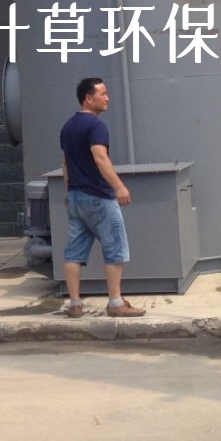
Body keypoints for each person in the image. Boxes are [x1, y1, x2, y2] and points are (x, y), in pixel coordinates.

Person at [59, 76, 145, 318]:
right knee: (115, 248)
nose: (107, 98)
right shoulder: (96, 126)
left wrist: (68, 191)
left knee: (74, 253)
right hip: (98, 196)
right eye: (103, 93)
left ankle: (75, 304)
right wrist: (119, 187)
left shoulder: (68, 127)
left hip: (75, 197)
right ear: (88, 98)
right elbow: (100, 158)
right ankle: (115, 303)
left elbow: (66, 163)